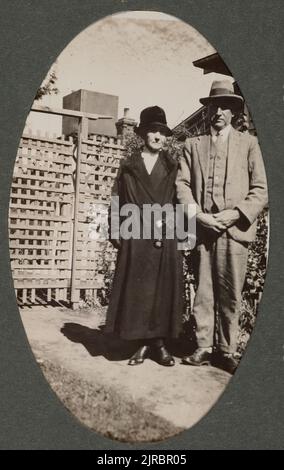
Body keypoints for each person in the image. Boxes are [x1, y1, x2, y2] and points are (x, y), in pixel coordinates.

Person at [176, 80, 268, 374]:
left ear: (234, 113)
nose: (219, 112)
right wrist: (198, 215)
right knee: (203, 291)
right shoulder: (193, 145)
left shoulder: (249, 144)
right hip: (203, 229)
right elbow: (182, 185)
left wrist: (235, 215)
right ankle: (202, 346)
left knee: (230, 292)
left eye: (225, 107)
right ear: (208, 110)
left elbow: (261, 189)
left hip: (234, 230)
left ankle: (226, 350)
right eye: (215, 106)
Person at [104, 106, 183, 366]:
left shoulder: (174, 166)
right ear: (143, 134)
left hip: (164, 235)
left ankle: (158, 344)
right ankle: (140, 343)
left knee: (161, 290)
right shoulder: (129, 166)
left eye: (162, 132)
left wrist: (183, 235)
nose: (158, 136)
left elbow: (183, 201)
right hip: (136, 234)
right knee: (139, 290)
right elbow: (117, 199)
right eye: (153, 131)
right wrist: (116, 230)